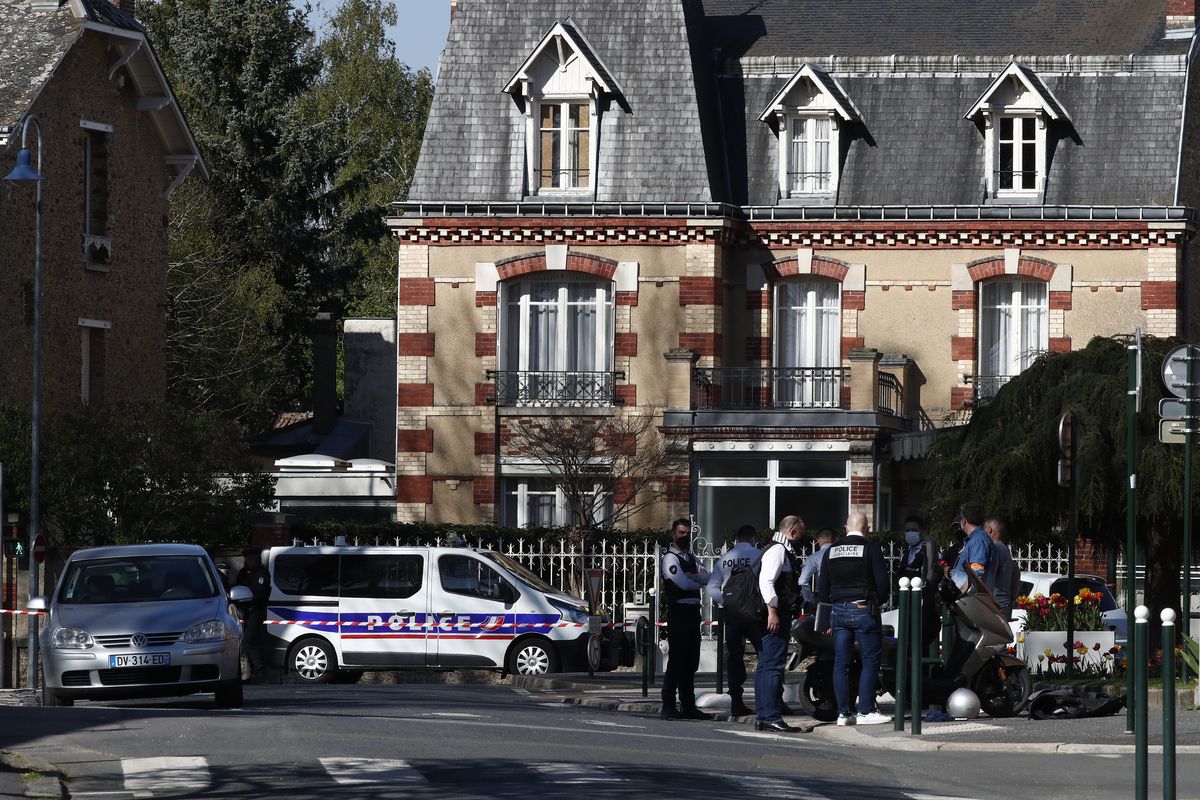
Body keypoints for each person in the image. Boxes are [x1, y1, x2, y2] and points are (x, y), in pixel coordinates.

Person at [818, 511, 890, 726]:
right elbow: (883, 585)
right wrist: (877, 601)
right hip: (863, 609)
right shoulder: (871, 548)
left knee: (840, 664)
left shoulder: (831, 551)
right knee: (870, 661)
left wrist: (825, 619)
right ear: (867, 528)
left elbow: (822, 589)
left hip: (838, 611)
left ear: (846, 527)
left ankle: (843, 714)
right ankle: (866, 711)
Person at [754, 515, 805, 732]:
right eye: (801, 534)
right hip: (774, 616)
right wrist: (772, 611)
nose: (802, 539)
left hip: (775, 614)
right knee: (772, 667)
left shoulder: (778, 549)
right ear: (792, 531)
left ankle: (764, 715)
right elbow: (766, 581)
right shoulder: (778, 550)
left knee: (766, 666)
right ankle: (770, 716)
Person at [706, 525, 763, 718]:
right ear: (753, 538)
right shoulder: (759, 554)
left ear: (736, 539)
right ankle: (769, 700)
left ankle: (737, 702)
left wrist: (727, 602)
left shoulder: (725, 558)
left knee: (734, 657)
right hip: (755, 613)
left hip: (732, 615)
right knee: (765, 654)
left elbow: (712, 587)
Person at [660, 519, 710, 720]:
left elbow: (709, 577)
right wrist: (695, 579)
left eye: (687, 533)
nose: (684, 536)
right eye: (681, 532)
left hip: (692, 613)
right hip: (678, 612)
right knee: (677, 660)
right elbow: (681, 583)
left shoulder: (691, 557)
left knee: (690, 662)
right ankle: (668, 705)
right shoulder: (670, 559)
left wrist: (694, 577)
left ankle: (688, 705)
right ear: (673, 534)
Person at [235, 547, 271, 684]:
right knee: (242, 643)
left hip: (255, 611)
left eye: (249, 559)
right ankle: (247, 672)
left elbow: (259, 594)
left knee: (250, 642)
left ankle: (260, 672)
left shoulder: (261, 574)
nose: (247, 562)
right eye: (246, 559)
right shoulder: (244, 572)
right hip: (242, 611)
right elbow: (237, 587)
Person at [951, 502, 994, 593]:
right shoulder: (975, 540)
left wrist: (960, 593)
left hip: (969, 601)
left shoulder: (978, 540)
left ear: (964, 520)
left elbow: (976, 574)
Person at [986, 517, 1019, 621]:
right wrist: (1012, 597)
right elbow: (1016, 571)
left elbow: (991, 573)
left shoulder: (995, 548)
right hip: (1004, 604)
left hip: (995, 605)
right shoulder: (1004, 549)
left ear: (989, 530)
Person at [798, 527, 834, 612]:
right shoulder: (841, 555)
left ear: (819, 540)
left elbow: (802, 581)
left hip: (822, 597)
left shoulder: (814, 557)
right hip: (842, 598)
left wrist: (809, 600)